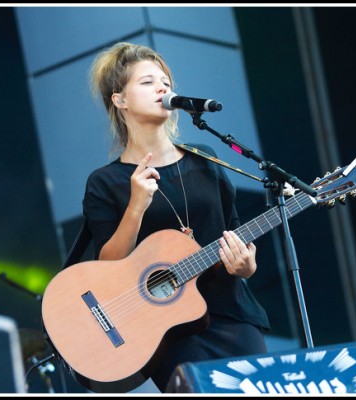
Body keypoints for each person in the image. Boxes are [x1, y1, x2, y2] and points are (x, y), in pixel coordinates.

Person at [82, 41, 270, 393]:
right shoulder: (105, 182)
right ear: (119, 100)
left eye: (166, 81)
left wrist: (246, 266)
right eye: (147, 82)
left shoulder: (207, 159)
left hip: (231, 313)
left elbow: (233, 233)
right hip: (168, 331)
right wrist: (136, 205)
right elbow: (107, 265)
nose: (163, 87)